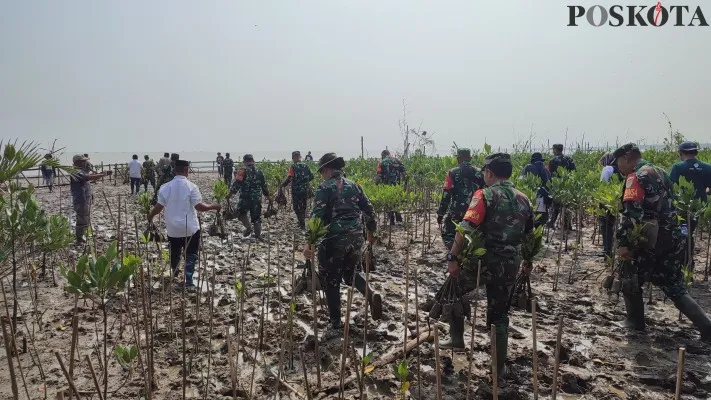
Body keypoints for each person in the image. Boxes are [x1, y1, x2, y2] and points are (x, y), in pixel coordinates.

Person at [442, 153, 533, 379]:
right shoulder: (525, 199)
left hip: (483, 262)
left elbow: (465, 227)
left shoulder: (484, 195)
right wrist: (528, 262)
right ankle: (498, 368)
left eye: (485, 172)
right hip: (511, 265)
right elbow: (530, 236)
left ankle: (456, 338)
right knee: (499, 315)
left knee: (452, 290)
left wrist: (453, 257)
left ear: (489, 173)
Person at [613, 143, 711, 341]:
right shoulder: (661, 172)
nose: (618, 167)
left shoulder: (636, 177)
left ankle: (635, 322)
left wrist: (623, 244)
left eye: (618, 163)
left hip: (649, 240)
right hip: (671, 238)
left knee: (629, 274)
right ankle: (706, 327)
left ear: (626, 158)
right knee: (674, 285)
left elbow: (632, 213)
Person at [303, 153, 382, 338]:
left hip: (334, 238)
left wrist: (309, 242)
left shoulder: (325, 187)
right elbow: (369, 209)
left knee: (331, 280)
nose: (322, 175)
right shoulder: (354, 185)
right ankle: (370, 293)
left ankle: (336, 323)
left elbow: (317, 216)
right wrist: (371, 233)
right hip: (356, 236)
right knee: (352, 273)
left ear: (326, 169)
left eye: (322, 171)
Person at [147, 160, 221, 288]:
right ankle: (188, 280)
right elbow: (199, 207)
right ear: (186, 171)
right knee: (191, 253)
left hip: (172, 229)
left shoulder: (165, 187)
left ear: (175, 171)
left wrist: (150, 216)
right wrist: (213, 206)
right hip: (190, 228)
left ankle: (175, 273)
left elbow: (158, 207)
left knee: (175, 252)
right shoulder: (192, 187)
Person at [669, 141, 711, 271]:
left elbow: (671, 188)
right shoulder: (708, 167)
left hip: (683, 210)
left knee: (684, 235)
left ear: (681, 153)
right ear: (696, 153)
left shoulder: (678, 167)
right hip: (701, 210)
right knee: (689, 234)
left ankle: (687, 266)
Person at [436, 148, 484, 250]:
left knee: (449, 237)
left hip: (456, 212)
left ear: (458, 159)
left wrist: (441, 214)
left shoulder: (452, 172)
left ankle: (453, 258)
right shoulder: (480, 173)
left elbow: (446, 196)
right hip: (474, 213)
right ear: (470, 158)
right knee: (473, 239)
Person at [227, 154, 269, 239]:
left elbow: (237, 184)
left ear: (245, 161)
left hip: (245, 197)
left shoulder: (242, 170)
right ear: (253, 161)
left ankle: (248, 227)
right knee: (256, 217)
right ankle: (257, 236)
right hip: (256, 198)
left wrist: (229, 195)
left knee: (241, 213)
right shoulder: (259, 171)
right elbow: (264, 186)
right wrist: (268, 196)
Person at [70, 155, 105, 244]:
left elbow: (87, 177)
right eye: (83, 161)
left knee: (86, 217)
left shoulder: (81, 170)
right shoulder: (75, 172)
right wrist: (102, 174)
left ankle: (84, 235)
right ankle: (79, 238)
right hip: (81, 199)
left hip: (85, 198)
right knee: (81, 218)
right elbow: (88, 177)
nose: (85, 163)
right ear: (77, 162)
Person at [281, 151, 315, 229]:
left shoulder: (293, 166)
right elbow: (311, 177)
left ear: (293, 158)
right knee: (303, 206)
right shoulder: (306, 166)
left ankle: (301, 223)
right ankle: (302, 223)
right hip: (305, 190)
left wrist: (283, 185)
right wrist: (304, 181)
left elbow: (289, 178)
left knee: (296, 207)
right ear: (300, 157)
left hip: (296, 190)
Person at [598, 152, 621, 258]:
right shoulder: (621, 169)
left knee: (606, 225)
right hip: (619, 200)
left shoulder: (607, 169)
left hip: (608, 200)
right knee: (615, 225)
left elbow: (603, 185)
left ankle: (607, 250)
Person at [547, 144, 576, 229]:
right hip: (567, 186)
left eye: (553, 149)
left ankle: (551, 222)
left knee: (555, 205)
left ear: (555, 150)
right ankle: (567, 225)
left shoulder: (552, 160)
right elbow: (574, 173)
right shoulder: (569, 159)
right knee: (566, 205)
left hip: (556, 186)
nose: (553, 151)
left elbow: (549, 174)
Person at [519, 152, 552, 228]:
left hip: (530, 196)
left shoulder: (528, 167)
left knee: (529, 218)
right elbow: (550, 184)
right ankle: (539, 236)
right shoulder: (546, 170)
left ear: (533, 160)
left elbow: (520, 181)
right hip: (542, 197)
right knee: (540, 219)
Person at [376, 149, 406, 225]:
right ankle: (399, 220)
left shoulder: (381, 163)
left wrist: (376, 185)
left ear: (383, 155)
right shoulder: (396, 160)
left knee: (388, 202)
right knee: (396, 201)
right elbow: (404, 171)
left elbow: (378, 176)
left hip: (386, 186)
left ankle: (391, 221)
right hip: (396, 185)